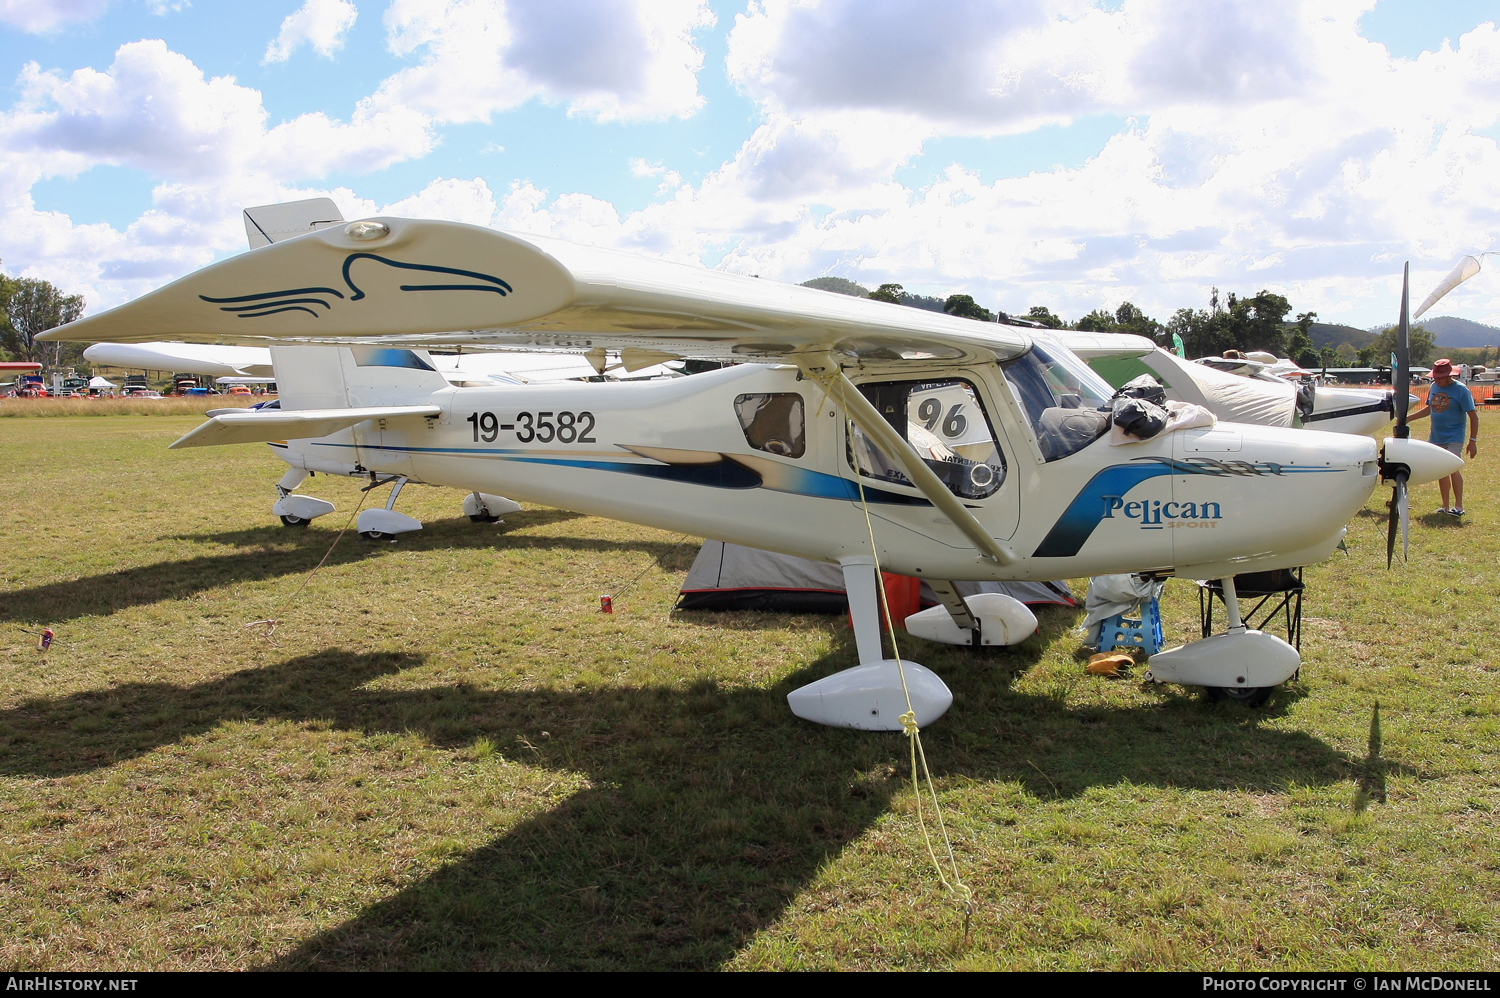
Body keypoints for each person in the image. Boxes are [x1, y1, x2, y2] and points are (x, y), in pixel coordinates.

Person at [1408, 358, 1478, 516]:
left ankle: (1458, 507)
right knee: (1441, 470)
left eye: (1440, 378)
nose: (1437, 380)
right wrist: (1408, 418)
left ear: (1449, 376)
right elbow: (1430, 409)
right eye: (1435, 377)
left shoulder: (1461, 390)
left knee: (1452, 467)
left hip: (1454, 435)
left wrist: (1472, 441)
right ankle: (1445, 507)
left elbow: (1473, 416)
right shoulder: (1433, 387)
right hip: (1436, 436)